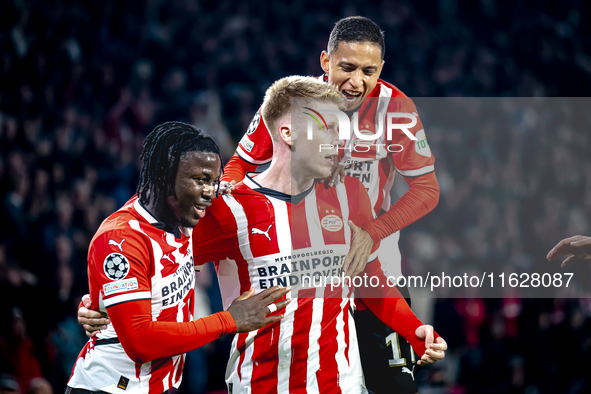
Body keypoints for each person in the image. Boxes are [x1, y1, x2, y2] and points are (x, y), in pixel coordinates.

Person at [221, 16, 439, 393]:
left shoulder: (396, 109)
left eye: (368, 71)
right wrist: (233, 207)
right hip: (308, 268)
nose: (357, 81)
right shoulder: (296, 102)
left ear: (381, 69)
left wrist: (373, 232)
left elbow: (427, 189)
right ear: (325, 62)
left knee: (397, 387)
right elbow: (238, 165)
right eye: (347, 68)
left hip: (373, 269)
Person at [67, 122, 290, 394]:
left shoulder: (183, 215)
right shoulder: (121, 239)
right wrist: (230, 320)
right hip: (109, 387)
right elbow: (140, 343)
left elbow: (252, 144)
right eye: (201, 181)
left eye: (214, 181)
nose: (211, 193)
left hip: (159, 387)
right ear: (164, 177)